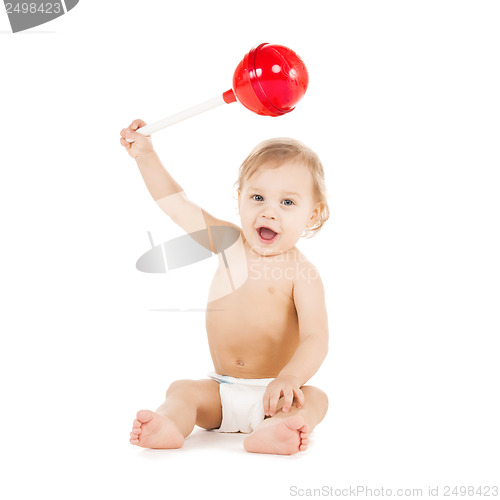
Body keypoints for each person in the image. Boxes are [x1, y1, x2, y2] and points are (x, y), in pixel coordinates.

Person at [120, 119, 330, 455]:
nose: (269, 212)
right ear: (240, 198)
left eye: (287, 203)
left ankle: (275, 429)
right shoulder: (230, 244)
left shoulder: (302, 273)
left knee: (317, 398)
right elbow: (178, 205)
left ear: (312, 214)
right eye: (258, 197)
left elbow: (316, 338)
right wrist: (146, 156)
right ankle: (169, 423)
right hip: (221, 391)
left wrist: (289, 379)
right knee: (183, 390)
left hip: (276, 395)